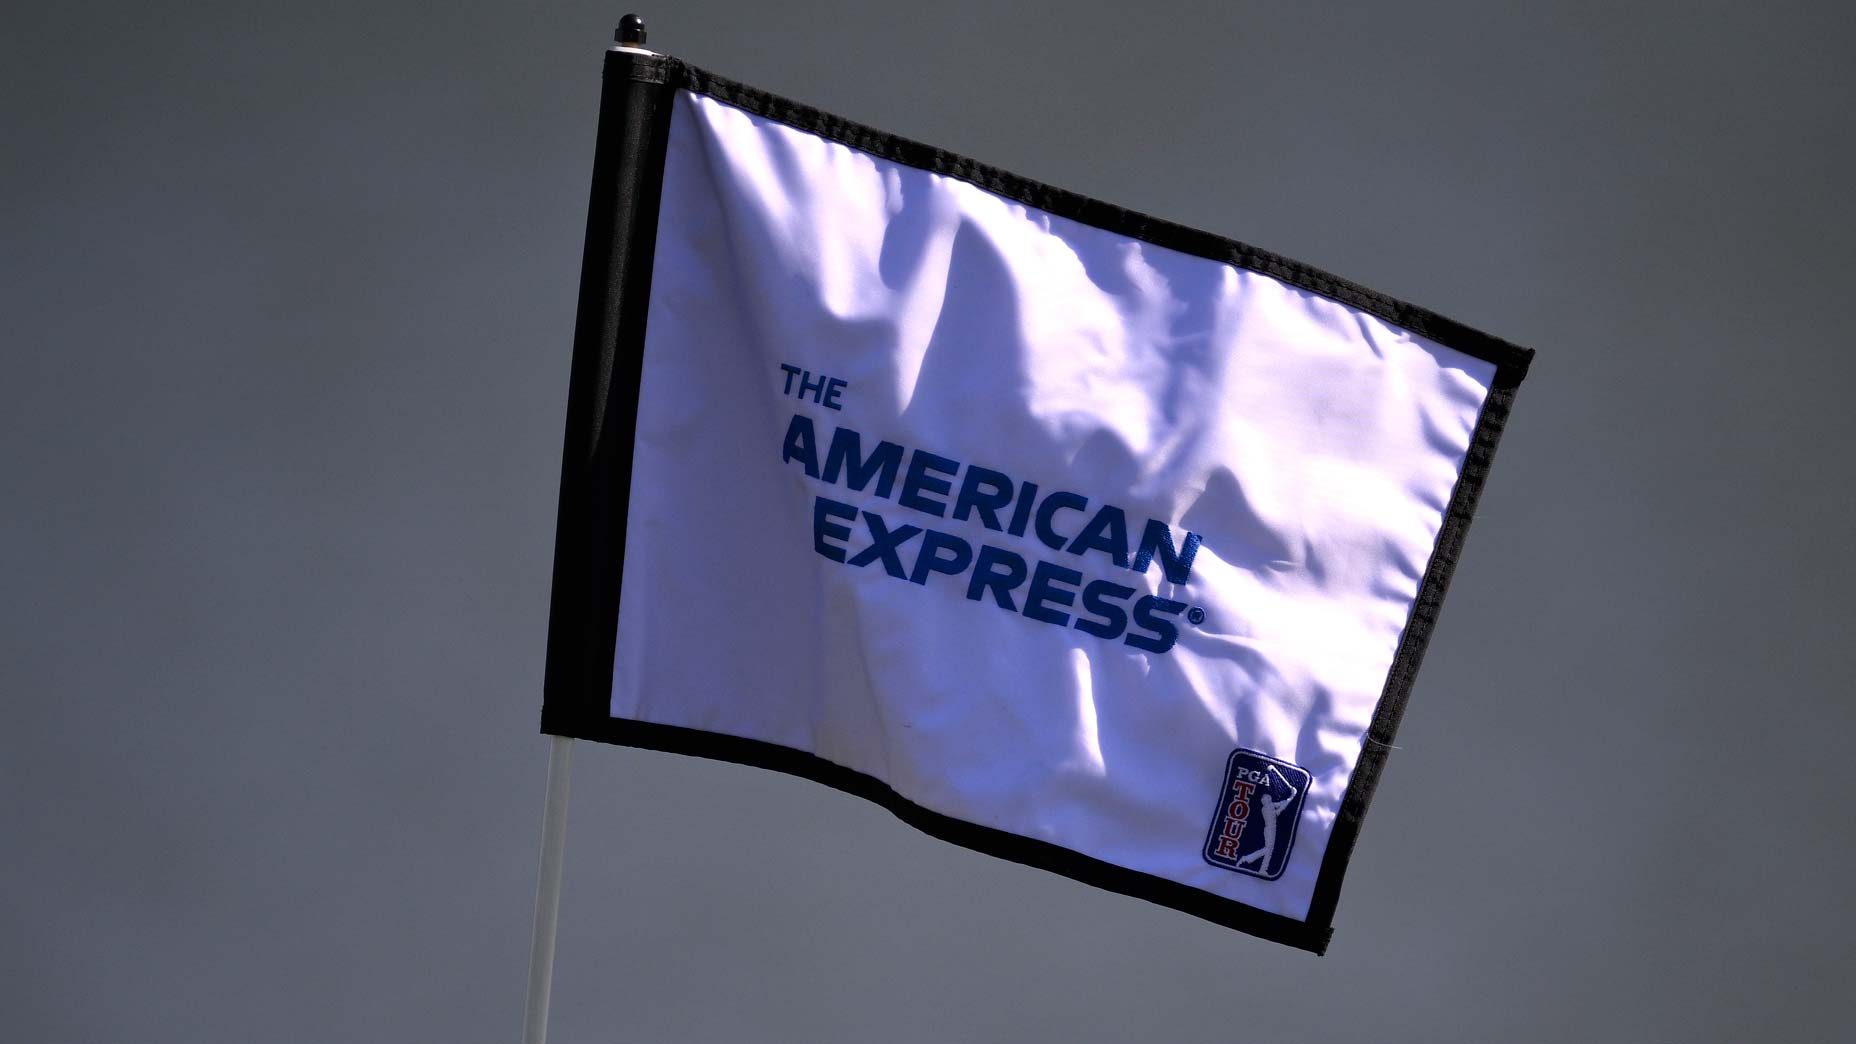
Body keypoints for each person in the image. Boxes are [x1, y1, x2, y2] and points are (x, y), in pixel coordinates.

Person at [1235, 769, 1296, 873]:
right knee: (1269, 850)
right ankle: (1254, 863)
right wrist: (1291, 797)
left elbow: (1281, 803)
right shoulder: (1266, 809)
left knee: (1268, 850)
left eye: (1269, 797)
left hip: (1271, 829)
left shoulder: (1270, 805)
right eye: (1267, 798)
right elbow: (1279, 811)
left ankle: (1257, 865)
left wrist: (1292, 796)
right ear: (1264, 801)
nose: (1270, 798)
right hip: (1269, 830)